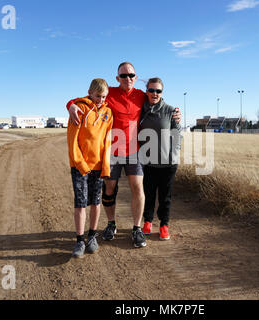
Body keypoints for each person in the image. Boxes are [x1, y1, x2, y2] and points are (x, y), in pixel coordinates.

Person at [67, 62, 181, 248]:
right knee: (110, 188)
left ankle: (137, 229)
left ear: (135, 78)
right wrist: (71, 105)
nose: (127, 78)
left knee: (138, 188)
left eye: (131, 75)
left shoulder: (141, 95)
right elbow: (85, 99)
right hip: (111, 152)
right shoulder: (109, 92)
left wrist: (175, 113)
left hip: (134, 151)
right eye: (123, 76)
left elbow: (158, 99)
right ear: (117, 78)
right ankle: (111, 224)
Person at [67, 79, 113, 258]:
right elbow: (72, 141)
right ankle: (79, 240)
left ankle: (92, 236)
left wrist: (106, 166)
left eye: (103, 97)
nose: (100, 100)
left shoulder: (108, 113)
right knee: (80, 203)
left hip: (99, 167)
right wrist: (81, 164)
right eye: (97, 96)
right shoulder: (79, 108)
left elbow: (107, 141)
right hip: (80, 167)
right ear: (89, 92)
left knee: (95, 202)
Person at [138, 78, 181, 241]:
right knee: (148, 194)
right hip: (148, 161)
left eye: (158, 91)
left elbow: (177, 135)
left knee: (165, 196)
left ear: (162, 93)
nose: (154, 94)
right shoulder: (140, 109)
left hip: (168, 163)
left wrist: (174, 154)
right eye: (151, 90)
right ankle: (147, 222)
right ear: (146, 91)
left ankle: (164, 225)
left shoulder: (171, 110)